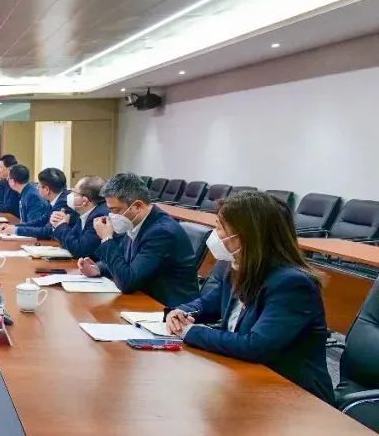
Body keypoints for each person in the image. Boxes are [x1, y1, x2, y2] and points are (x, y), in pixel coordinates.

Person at [166, 191, 334, 403]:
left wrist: (190, 331)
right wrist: (182, 312)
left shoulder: (292, 284)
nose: (215, 235)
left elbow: (256, 346)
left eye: (219, 228)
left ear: (243, 236)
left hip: (293, 395)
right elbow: (208, 304)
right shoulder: (237, 267)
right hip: (244, 375)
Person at [77, 172, 198, 307]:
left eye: (115, 210)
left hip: (169, 309)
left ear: (138, 206)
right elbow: (125, 260)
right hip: (144, 300)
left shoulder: (161, 233)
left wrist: (106, 239)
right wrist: (98, 268)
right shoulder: (135, 221)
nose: (112, 216)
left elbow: (128, 282)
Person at [50, 176, 110, 258]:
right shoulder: (84, 213)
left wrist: (61, 225)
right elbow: (72, 241)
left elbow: (79, 250)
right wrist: (60, 224)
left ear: (84, 200)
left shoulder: (99, 216)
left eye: (74, 191)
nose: (70, 194)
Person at [13, 168, 69, 239]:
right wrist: (15, 226)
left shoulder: (63, 203)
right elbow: (41, 221)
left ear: (46, 189)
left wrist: (16, 230)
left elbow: (47, 232)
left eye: (38, 186)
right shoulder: (56, 199)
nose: (37, 188)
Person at [0, 164, 51, 228]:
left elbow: (33, 226)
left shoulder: (32, 196)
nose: (7, 181)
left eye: (8, 178)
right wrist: (13, 227)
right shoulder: (27, 191)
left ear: (13, 181)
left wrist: (14, 229)